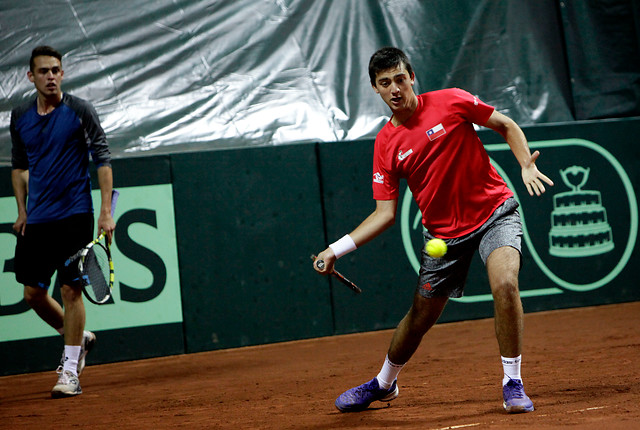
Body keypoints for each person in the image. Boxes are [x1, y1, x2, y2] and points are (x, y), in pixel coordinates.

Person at [313, 47, 553, 414]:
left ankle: (512, 382)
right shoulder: (385, 144)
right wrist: (336, 248)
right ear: (376, 89)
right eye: (384, 83)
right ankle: (383, 384)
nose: (394, 88)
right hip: (443, 238)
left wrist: (525, 164)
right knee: (419, 318)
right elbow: (385, 214)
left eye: (399, 79)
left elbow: (504, 124)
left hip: (494, 213)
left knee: (505, 284)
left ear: (412, 78)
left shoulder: (452, 101)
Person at [10, 46, 115, 398]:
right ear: (31, 76)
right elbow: (19, 166)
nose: (50, 76)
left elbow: (102, 157)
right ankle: (79, 340)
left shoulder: (80, 110)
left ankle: (70, 371)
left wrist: (105, 211)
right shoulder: (20, 114)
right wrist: (22, 210)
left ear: (62, 74)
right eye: (43, 71)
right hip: (38, 219)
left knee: (71, 291)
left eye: (56, 70)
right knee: (33, 294)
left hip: (74, 215)